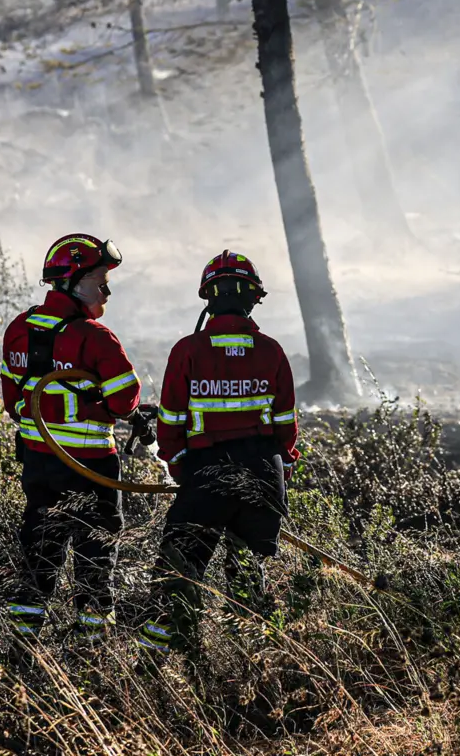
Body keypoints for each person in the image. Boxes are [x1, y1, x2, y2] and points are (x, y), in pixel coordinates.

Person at [137, 250, 300, 655]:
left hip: (204, 477)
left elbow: (171, 421)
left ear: (208, 297)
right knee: (247, 577)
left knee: (178, 576)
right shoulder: (272, 351)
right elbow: (286, 427)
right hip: (264, 475)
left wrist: (180, 468)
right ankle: (255, 666)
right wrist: (279, 474)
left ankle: (152, 671)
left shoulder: (188, 350)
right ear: (254, 299)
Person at [0, 234, 142, 642]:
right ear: (74, 283)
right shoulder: (96, 337)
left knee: (39, 552)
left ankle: (21, 643)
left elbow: (13, 401)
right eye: (101, 280)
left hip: (39, 464)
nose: (107, 291)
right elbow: (125, 400)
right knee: (96, 554)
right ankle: (93, 646)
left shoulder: (19, 328)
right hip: (91, 468)